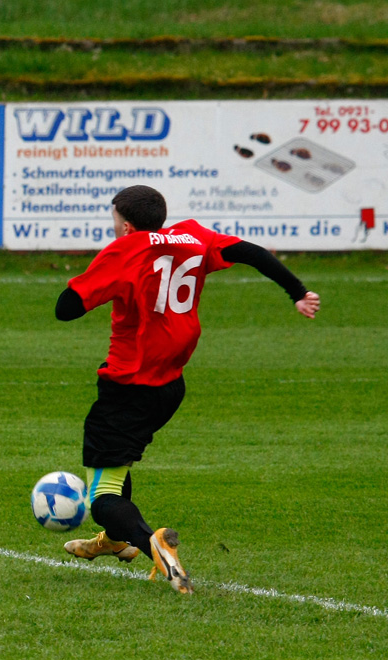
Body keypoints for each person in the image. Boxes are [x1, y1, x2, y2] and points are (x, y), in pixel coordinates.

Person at [57, 185, 320, 594]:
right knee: (116, 461)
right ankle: (111, 542)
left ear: (125, 224)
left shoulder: (125, 250)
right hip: (169, 386)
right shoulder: (193, 235)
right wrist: (298, 292)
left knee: (102, 493)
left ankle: (151, 544)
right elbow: (251, 252)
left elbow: (66, 308)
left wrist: (106, 279)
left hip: (129, 385)